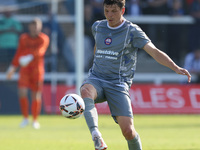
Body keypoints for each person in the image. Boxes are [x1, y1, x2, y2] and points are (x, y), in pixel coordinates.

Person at [80, 0, 191, 150]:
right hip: (97, 78)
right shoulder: (98, 26)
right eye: (106, 10)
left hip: (118, 83)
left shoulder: (132, 31)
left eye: (113, 11)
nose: (109, 15)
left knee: (128, 132)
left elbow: (153, 51)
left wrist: (175, 67)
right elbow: (98, 47)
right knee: (85, 90)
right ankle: (96, 135)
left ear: (123, 10)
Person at [6, 18, 49, 129]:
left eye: (37, 26)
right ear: (29, 27)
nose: (35, 28)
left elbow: (41, 51)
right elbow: (18, 53)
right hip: (25, 70)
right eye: (33, 26)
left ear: (40, 27)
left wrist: (29, 57)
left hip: (37, 71)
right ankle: (25, 118)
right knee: (22, 92)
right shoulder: (24, 38)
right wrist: (12, 68)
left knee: (35, 95)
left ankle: (35, 120)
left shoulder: (43, 38)